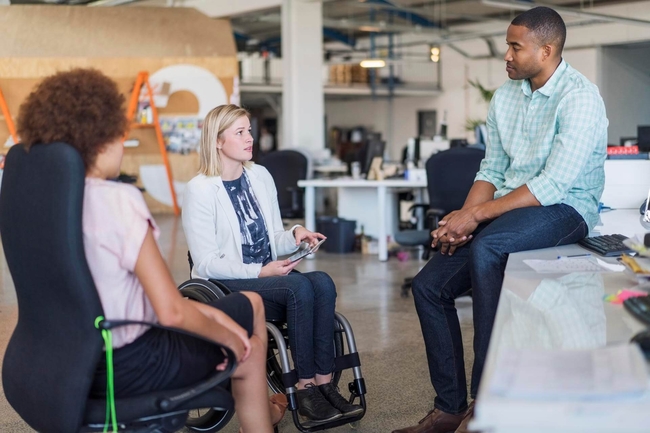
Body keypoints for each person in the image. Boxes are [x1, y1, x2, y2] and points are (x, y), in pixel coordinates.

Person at [16, 69, 284, 433]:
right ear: (100, 138)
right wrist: (231, 342)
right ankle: (260, 422)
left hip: (57, 360)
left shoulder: (37, 201)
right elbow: (171, 313)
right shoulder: (116, 200)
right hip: (131, 362)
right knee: (249, 344)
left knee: (249, 303)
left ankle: (266, 414)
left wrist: (216, 318)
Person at [394, 7, 607, 433]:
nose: (505, 56)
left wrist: (474, 217)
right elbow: (491, 170)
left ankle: (487, 401)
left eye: (515, 47)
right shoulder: (507, 96)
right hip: (511, 209)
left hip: (565, 209)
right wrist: (461, 221)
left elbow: (552, 185)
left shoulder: (580, 97)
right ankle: (449, 409)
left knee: (490, 249)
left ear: (546, 51)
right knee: (428, 285)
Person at [182, 104, 363, 425]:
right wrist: (260, 271)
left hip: (267, 278)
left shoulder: (259, 176)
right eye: (240, 132)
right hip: (227, 284)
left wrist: (297, 235)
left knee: (321, 281)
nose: (250, 138)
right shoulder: (200, 189)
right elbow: (207, 263)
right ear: (218, 141)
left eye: (249, 130)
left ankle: (324, 383)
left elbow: (274, 235)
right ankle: (305, 388)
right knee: (297, 287)